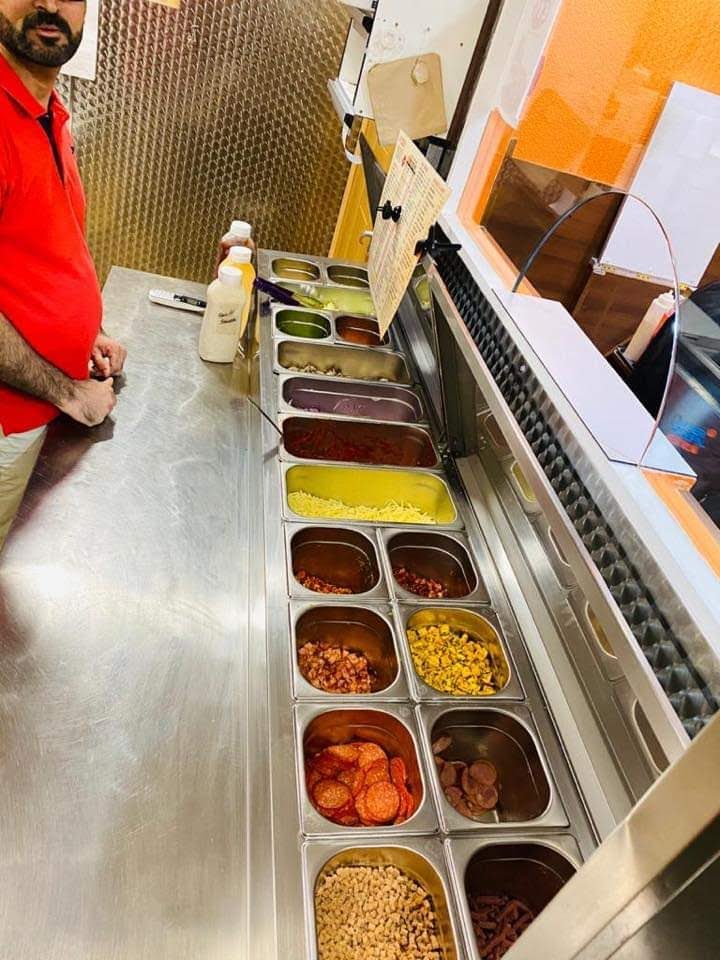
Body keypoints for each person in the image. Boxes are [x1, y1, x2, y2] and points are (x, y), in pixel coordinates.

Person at [0, 0, 125, 548]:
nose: (51, 5)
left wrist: (86, 334)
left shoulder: (46, 108)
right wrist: (68, 392)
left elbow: (43, 247)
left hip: (41, 409)